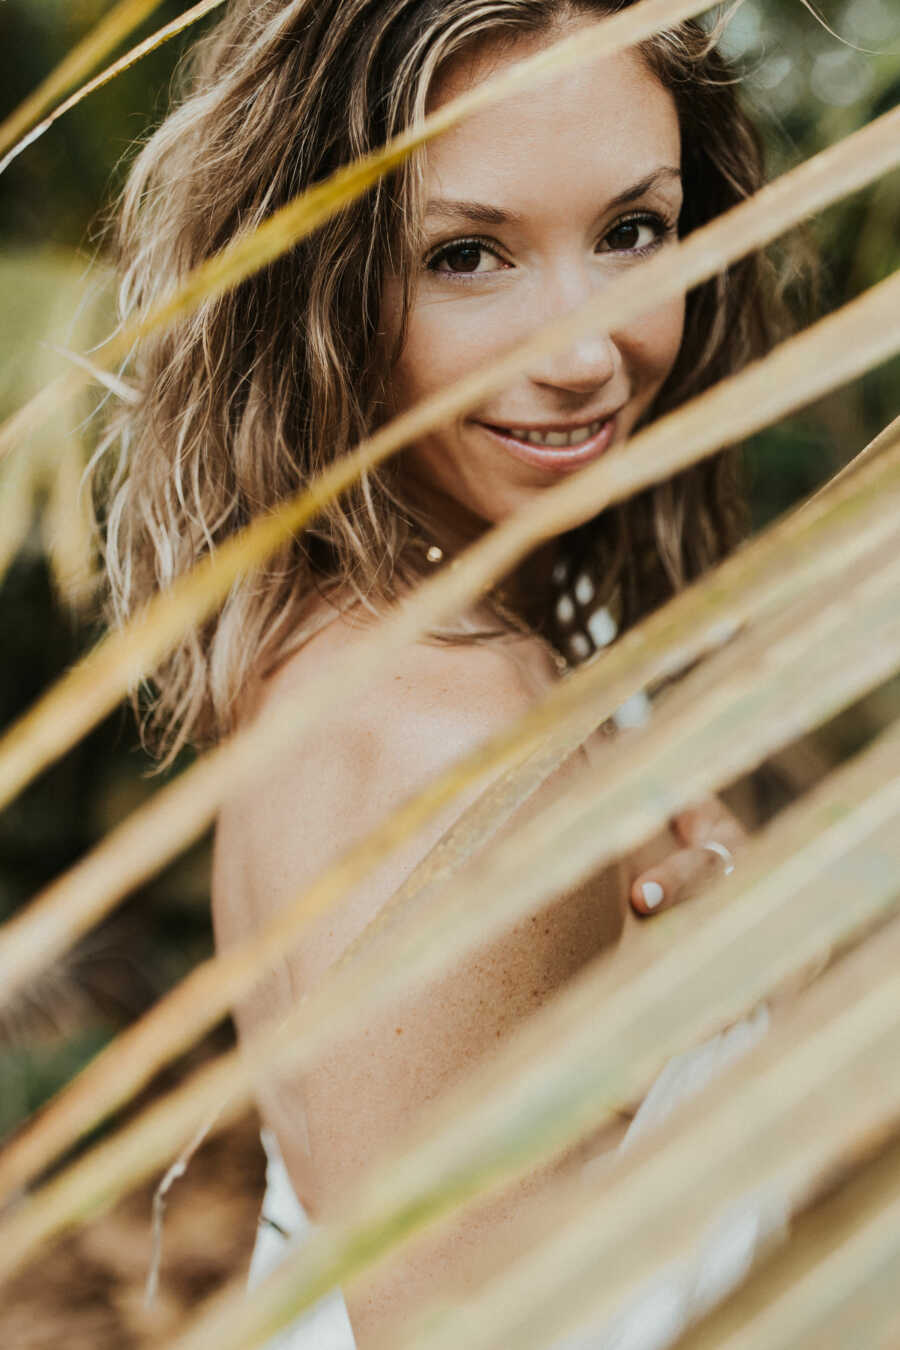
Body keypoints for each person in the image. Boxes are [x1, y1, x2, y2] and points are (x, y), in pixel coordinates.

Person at [99, 0, 793, 1343]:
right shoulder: (458, 741)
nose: (589, 352)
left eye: (632, 231)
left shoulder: (346, 601)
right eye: (468, 255)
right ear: (315, 280)